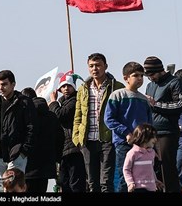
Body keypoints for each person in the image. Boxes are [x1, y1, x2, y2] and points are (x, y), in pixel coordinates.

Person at [72, 53, 125, 192]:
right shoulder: (83, 89)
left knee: (106, 182)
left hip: (108, 139)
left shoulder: (117, 87)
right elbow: (78, 115)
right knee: (91, 182)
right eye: (91, 66)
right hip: (87, 140)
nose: (95, 69)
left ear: (105, 66)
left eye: (98, 65)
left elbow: (122, 114)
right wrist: (77, 137)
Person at [104, 62, 153, 192]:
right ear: (126, 78)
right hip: (123, 144)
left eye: (142, 75)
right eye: (135, 75)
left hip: (142, 146)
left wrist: (150, 141)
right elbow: (109, 119)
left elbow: (149, 124)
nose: (139, 78)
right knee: (125, 178)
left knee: (142, 180)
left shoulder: (144, 99)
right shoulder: (117, 95)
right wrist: (126, 133)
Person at [0, 70, 37, 192]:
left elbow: (32, 128)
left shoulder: (24, 102)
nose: (1, 88)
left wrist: (24, 151)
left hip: (16, 155)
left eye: (4, 84)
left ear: (13, 84)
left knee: (14, 189)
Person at [144, 56, 182, 192]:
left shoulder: (175, 82)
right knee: (154, 170)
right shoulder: (150, 85)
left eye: (152, 74)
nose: (150, 78)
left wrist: (156, 105)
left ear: (160, 70)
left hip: (167, 133)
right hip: (151, 134)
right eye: (148, 75)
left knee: (167, 169)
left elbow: (180, 105)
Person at [49, 71, 87, 193]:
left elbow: (61, 115)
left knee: (75, 182)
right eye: (63, 86)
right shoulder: (62, 103)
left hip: (73, 147)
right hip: (64, 149)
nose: (66, 89)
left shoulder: (74, 100)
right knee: (65, 183)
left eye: (69, 86)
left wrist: (53, 102)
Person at [21, 87, 64, 192]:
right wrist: (56, 158)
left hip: (27, 166)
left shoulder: (24, 115)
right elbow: (60, 138)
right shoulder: (51, 116)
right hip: (46, 167)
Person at [123, 123, 164, 192]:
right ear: (144, 138)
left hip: (151, 187)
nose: (155, 140)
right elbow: (126, 169)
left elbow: (151, 169)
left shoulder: (152, 152)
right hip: (138, 188)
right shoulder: (132, 153)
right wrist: (130, 183)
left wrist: (155, 180)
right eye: (153, 137)